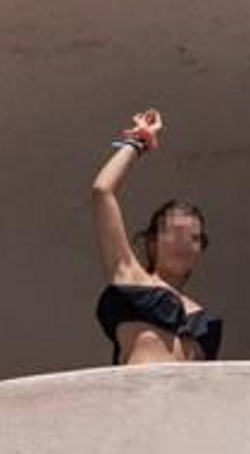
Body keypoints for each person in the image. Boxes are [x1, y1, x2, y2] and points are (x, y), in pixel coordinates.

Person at [90, 109, 222, 365]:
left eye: (193, 238)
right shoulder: (129, 275)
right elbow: (102, 192)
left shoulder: (203, 318)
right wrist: (139, 141)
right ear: (152, 241)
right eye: (175, 234)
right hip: (137, 402)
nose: (184, 243)